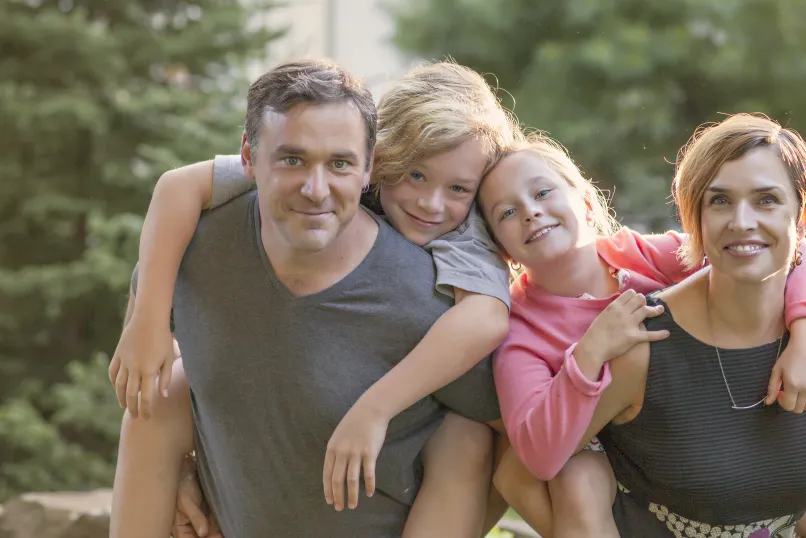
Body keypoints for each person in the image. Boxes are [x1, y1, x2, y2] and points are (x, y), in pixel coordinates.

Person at [109, 59, 511, 538]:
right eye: (292, 159)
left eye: (339, 163)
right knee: (165, 390)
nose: (316, 188)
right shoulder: (201, 242)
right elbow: (176, 189)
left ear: (366, 165)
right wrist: (180, 468)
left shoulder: (445, 288)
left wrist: (375, 409)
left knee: (464, 439)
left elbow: (510, 436)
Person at [476, 124, 806, 537]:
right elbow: (533, 458)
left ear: (587, 202)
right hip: (588, 438)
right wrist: (591, 349)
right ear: (498, 245)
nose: (531, 212)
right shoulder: (520, 331)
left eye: (542, 193)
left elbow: (790, 249)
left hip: (678, 417)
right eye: (507, 212)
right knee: (578, 482)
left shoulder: (645, 258)